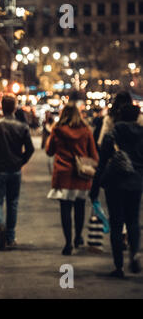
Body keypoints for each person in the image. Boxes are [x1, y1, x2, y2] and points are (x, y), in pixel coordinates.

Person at [90, 104, 143, 278]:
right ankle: (134, 253)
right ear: (136, 117)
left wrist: (95, 188)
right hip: (135, 183)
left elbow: (102, 163)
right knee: (133, 220)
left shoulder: (112, 136)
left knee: (116, 223)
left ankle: (118, 266)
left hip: (115, 184)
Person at [0, 95, 35, 250]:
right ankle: (10, 237)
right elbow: (30, 149)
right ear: (14, 107)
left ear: (2, 107)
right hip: (15, 169)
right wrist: (21, 161)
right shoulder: (22, 127)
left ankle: (0, 225)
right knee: (13, 203)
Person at [46, 103, 99, 256]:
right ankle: (78, 237)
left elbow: (49, 151)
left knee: (65, 209)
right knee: (80, 207)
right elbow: (94, 155)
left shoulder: (57, 130)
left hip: (63, 174)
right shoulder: (85, 130)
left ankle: (68, 242)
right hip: (81, 175)